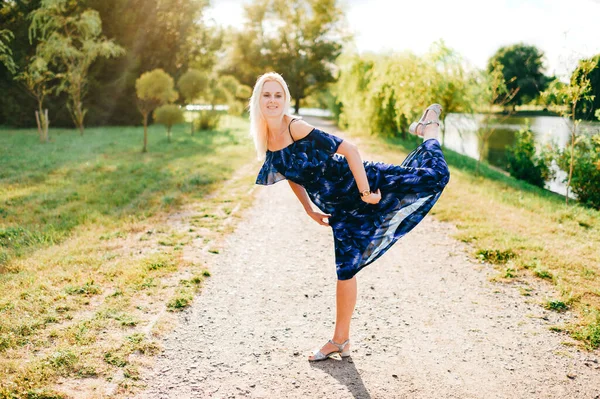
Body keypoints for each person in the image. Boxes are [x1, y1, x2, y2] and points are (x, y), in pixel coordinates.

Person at [251, 72, 450, 361]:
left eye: (278, 95)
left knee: (436, 176)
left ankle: (429, 129)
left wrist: (367, 192)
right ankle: (340, 340)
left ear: (285, 100)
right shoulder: (267, 138)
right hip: (341, 206)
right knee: (346, 270)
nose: (272, 100)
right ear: (258, 100)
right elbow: (290, 172)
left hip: (366, 181)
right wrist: (308, 208)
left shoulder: (296, 127)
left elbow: (351, 150)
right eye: (267, 95)